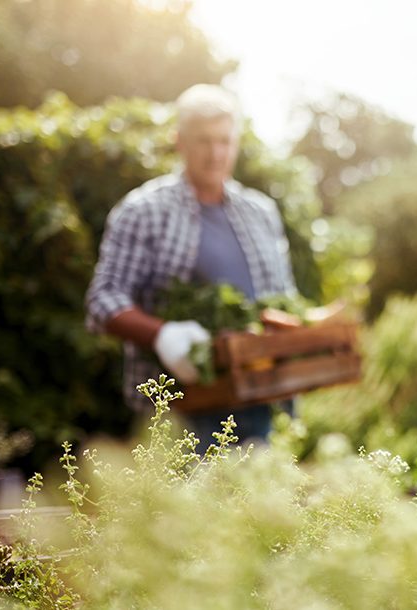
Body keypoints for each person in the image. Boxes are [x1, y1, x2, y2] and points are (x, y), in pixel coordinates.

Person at [85, 84, 298, 450]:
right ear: (179, 141)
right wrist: (161, 334)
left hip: (263, 401)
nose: (216, 154)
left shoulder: (260, 212)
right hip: (182, 408)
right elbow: (103, 300)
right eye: (203, 141)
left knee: (263, 505)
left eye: (224, 141)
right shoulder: (143, 211)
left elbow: (284, 300)